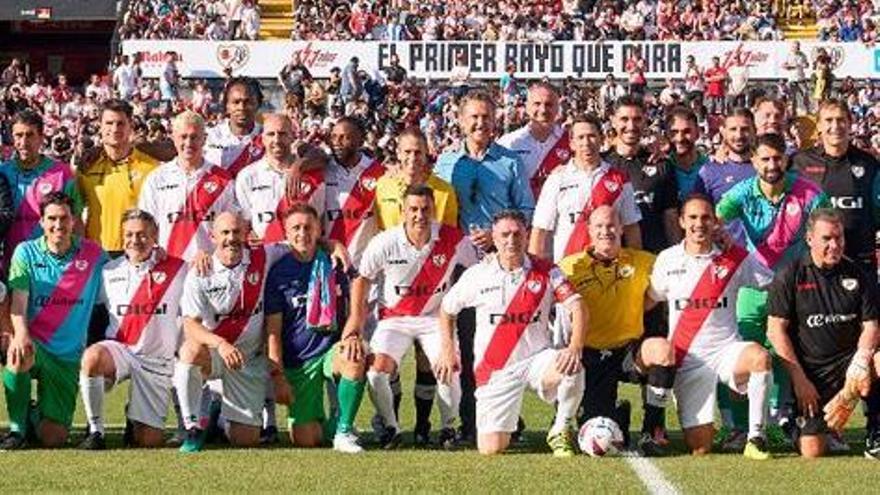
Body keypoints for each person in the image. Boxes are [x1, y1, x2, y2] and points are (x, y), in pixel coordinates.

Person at [436, 210, 585, 456]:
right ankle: (511, 422)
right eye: (505, 234)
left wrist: (575, 347)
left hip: (538, 360)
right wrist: (448, 349)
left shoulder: (548, 270)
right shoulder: (477, 275)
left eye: (517, 234)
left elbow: (577, 306)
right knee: (491, 449)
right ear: (494, 238)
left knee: (572, 365)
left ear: (526, 236)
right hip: (496, 369)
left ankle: (561, 428)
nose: (511, 240)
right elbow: (446, 309)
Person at [716, 133, 829, 449]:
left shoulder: (809, 193)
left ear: (786, 158)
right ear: (753, 161)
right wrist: (724, 237)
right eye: (764, 159)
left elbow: (827, 228)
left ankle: (780, 421)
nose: (771, 165)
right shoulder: (742, 192)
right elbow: (716, 218)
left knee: (784, 355)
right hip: (752, 289)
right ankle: (734, 426)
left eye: (777, 158)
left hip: (794, 289)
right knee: (741, 351)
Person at [434, 90, 534, 441]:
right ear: (460, 120)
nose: (480, 123)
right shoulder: (445, 163)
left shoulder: (509, 162)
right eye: (473, 117)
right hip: (459, 266)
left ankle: (511, 420)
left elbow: (527, 210)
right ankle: (470, 421)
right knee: (465, 342)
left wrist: (497, 235)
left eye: (486, 117)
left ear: (495, 121)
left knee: (505, 342)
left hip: (501, 261)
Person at [649, 194, 775, 459]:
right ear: (682, 221)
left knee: (760, 358)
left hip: (727, 351)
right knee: (700, 447)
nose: (699, 224)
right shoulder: (667, 259)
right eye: (693, 217)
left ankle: (756, 438)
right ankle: (718, 420)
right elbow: (650, 299)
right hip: (688, 360)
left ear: (715, 222)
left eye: (706, 217)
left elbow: (771, 283)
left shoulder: (733, 256)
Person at [352, 186, 476, 449]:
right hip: (394, 319)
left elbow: (478, 270)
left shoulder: (453, 239)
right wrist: (356, 319)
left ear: (433, 210)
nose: (420, 215)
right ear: (402, 211)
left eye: (425, 209)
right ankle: (391, 428)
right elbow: (362, 278)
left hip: (435, 319)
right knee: (376, 373)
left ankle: (447, 429)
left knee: (449, 368)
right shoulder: (385, 241)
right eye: (414, 209)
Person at [558, 205, 675, 456]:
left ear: (622, 228)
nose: (606, 231)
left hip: (627, 352)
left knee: (662, 350)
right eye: (598, 226)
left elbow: (679, 264)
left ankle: (652, 429)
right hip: (589, 354)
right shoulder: (569, 267)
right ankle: (617, 412)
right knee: (598, 429)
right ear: (588, 230)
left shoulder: (645, 261)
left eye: (611, 225)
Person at [767, 208, 880, 459]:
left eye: (839, 238)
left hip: (849, 370)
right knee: (813, 452)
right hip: (811, 378)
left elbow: (871, 326)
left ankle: (876, 432)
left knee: (879, 360)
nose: (834, 245)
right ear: (809, 240)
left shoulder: (858, 274)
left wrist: (860, 363)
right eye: (827, 239)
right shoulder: (790, 274)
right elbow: (775, 331)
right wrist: (799, 380)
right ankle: (790, 423)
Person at [0, 192, 107, 450]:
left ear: (73, 221)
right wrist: (21, 335)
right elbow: (18, 304)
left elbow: (127, 271)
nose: (58, 225)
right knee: (18, 351)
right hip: (36, 345)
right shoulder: (25, 252)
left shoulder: (94, 254)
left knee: (53, 438)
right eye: (52, 219)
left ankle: (32, 412)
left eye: (64, 218)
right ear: (41, 221)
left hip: (69, 356)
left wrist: (154, 254)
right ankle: (17, 431)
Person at [173, 212, 287, 453]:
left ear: (246, 233)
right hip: (216, 353)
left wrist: (333, 244)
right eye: (225, 233)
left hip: (247, 359)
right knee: (189, 351)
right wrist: (221, 344)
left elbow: (300, 243)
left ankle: (218, 415)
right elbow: (190, 325)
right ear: (212, 236)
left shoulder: (264, 255)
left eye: (236, 232)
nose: (231, 238)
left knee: (246, 440)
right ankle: (191, 427)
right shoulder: (200, 271)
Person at [372, 127, 457, 443]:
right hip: (393, 287)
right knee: (387, 362)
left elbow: (448, 240)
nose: (412, 159)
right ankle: (389, 423)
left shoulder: (444, 191)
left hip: (430, 287)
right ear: (397, 153)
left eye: (418, 152)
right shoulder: (383, 187)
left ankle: (423, 425)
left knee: (428, 359)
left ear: (427, 154)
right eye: (406, 152)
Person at [78, 209, 187, 449]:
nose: (135, 240)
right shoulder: (108, 271)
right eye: (129, 234)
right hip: (121, 351)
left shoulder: (178, 269)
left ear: (155, 235)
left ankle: (133, 417)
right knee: (92, 358)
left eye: (142, 234)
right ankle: (96, 431)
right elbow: (89, 312)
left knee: (148, 442)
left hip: (156, 361)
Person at [264, 204, 366, 454]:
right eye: (296, 228)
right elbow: (273, 332)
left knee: (354, 355)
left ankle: (343, 430)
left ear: (319, 229)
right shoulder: (278, 273)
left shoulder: (334, 262)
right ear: (286, 234)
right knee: (306, 439)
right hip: (298, 361)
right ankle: (330, 425)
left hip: (331, 349)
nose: (302, 233)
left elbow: (359, 290)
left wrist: (352, 334)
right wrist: (278, 376)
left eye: (308, 227)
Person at [529, 114, 641, 263]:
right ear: (571, 143)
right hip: (569, 271)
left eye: (592, 136)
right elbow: (540, 231)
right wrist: (535, 271)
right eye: (580, 137)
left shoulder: (620, 179)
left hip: (608, 271)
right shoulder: (557, 179)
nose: (586, 142)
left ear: (602, 139)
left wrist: (635, 266)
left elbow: (631, 228)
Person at [138, 110, 238, 262]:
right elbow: (145, 227)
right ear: (173, 138)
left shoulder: (223, 180)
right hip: (169, 269)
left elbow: (231, 230)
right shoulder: (156, 179)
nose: (188, 143)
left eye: (194, 137)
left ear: (204, 139)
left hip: (210, 269)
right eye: (183, 137)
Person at [792, 99, 880, 271]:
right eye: (829, 120)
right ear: (818, 125)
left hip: (860, 259)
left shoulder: (869, 163)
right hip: (815, 262)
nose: (835, 126)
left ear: (850, 123)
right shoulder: (799, 162)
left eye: (841, 120)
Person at [76, 99, 158, 256]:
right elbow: (76, 214)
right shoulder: (87, 166)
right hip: (95, 252)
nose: (114, 129)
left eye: (120, 123)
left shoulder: (151, 167)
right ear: (100, 126)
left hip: (137, 251)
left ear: (130, 126)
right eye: (109, 123)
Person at [0, 111, 82, 267]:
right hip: (10, 263)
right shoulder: (2, 172)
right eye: (18, 135)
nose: (23, 142)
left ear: (41, 138)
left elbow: (76, 220)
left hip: (53, 264)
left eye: (30, 135)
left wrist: (77, 260)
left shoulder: (62, 173)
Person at [604, 96, 680, 253]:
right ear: (613, 121)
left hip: (652, 258)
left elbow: (671, 219)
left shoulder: (661, 164)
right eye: (624, 119)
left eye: (637, 119)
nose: (631, 126)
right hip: (610, 262)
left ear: (645, 121)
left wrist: (677, 258)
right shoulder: (601, 164)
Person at [235, 113, 325, 244]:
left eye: (282, 134)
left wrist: (300, 165)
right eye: (271, 134)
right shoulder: (247, 176)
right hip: (266, 257)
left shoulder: (312, 174)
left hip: (305, 257)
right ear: (262, 139)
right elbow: (246, 222)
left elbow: (319, 221)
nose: (276, 140)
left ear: (292, 137)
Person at [694, 108, 757, 246]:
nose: (739, 135)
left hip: (763, 257)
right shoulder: (710, 171)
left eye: (745, 129)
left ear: (754, 130)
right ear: (723, 131)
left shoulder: (765, 169)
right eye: (733, 129)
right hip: (724, 255)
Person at [498, 82, 570, 200]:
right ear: (527, 107)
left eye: (549, 104)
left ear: (558, 108)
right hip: (520, 214)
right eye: (537, 104)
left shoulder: (572, 142)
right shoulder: (508, 143)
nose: (543, 110)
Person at [205, 77, 265, 178]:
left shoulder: (268, 135)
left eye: (248, 102)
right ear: (227, 106)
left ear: (258, 104)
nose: (241, 108)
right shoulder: (209, 136)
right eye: (236, 102)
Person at [666, 106, 708, 201]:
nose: (680, 138)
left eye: (687, 131)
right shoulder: (662, 168)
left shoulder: (710, 167)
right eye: (674, 132)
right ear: (667, 134)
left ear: (697, 132)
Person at [782, 41, 809, 116]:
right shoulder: (788, 55)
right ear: (792, 47)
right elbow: (783, 65)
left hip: (801, 78)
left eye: (797, 47)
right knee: (792, 97)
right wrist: (788, 66)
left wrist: (803, 65)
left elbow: (807, 64)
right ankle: (793, 113)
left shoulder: (802, 55)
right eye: (794, 47)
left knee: (805, 93)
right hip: (792, 79)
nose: (796, 48)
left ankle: (807, 110)